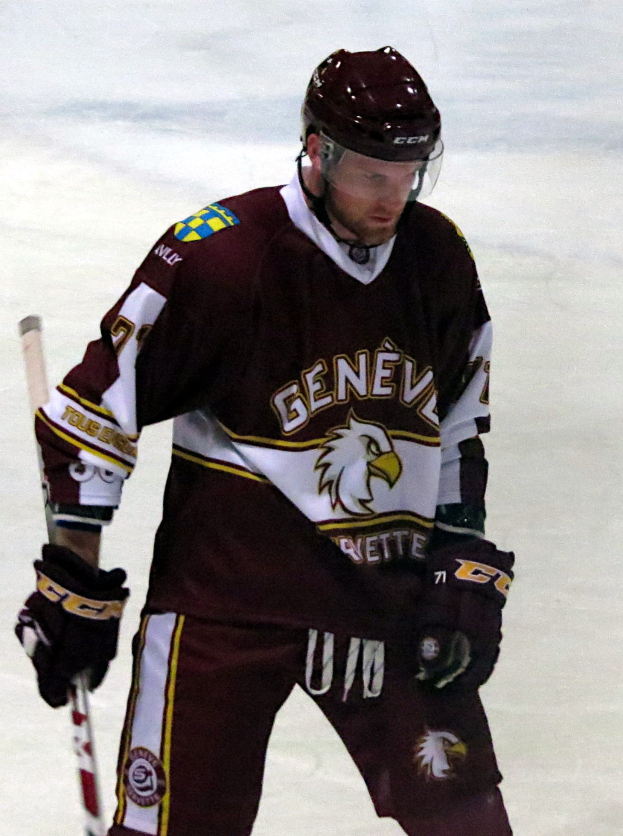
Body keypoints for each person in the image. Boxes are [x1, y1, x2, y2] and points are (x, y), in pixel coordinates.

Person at [16, 46, 515, 836]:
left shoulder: (436, 257)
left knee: (468, 824)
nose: (393, 197)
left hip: (386, 596)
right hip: (226, 600)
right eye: (372, 174)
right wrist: (74, 578)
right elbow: (99, 409)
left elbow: (456, 424)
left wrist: (460, 553)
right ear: (317, 153)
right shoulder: (221, 256)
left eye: (408, 173)